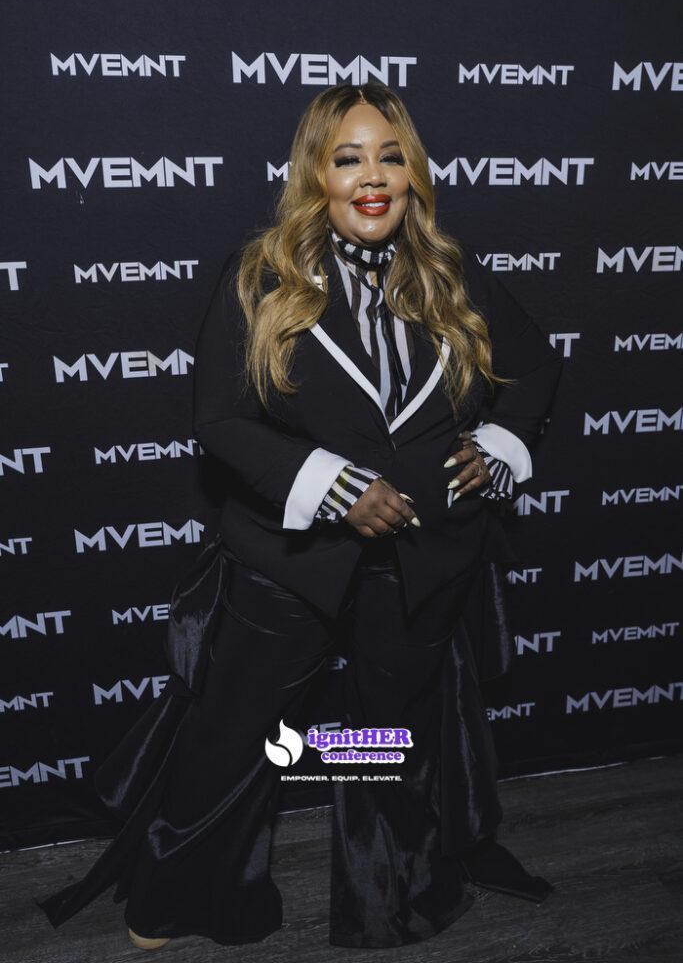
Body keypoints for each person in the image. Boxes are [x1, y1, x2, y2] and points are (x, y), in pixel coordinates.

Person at [36, 82, 563, 950]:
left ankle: (391, 892)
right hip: (291, 558)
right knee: (237, 734)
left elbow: (536, 367)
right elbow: (219, 422)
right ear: (316, 173)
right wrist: (332, 486)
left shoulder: (450, 272)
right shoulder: (261, 277)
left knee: (383, 738)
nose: (372, 177)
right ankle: (181, 896)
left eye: (390, 157)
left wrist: (500, 444)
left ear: (413, 173)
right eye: (348, 158)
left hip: (423, 558)